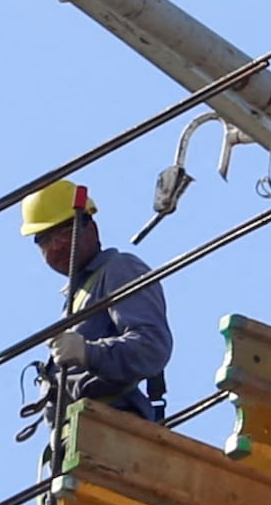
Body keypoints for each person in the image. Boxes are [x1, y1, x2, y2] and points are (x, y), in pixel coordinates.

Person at [19, 180, 174, 433]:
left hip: (114, 429)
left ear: (92, 228)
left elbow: (152, 346)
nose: (56, 245)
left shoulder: (119, 269)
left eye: (65, 231)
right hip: (79, 437)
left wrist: (88, 353)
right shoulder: (80, 295)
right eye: (45, 239)